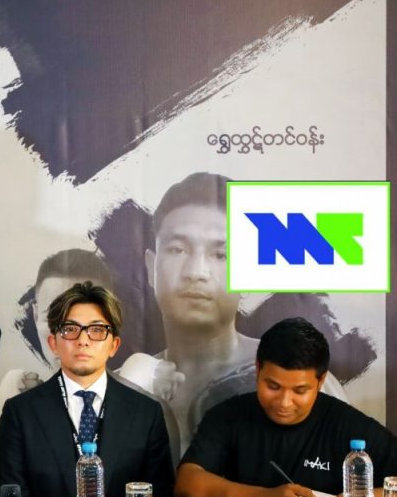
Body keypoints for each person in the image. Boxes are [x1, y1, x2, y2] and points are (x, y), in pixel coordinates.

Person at [121, 172, 346, 456]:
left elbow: (348, 474)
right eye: (178, 250)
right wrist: (125, 394)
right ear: (150, 267)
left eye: (221, 255)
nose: (196, 272)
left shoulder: (300, 380)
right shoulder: (123, 384)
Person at [175, 317, 397, 497]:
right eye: (273, 386)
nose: (284, 402)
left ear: (320, 381)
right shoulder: (229, 415)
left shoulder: (348, 425)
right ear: (258, 369)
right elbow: (187, 480)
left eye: (300, 391)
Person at [0, 281, 175, 497]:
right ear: (53, 343)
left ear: (114, 345)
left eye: (97, 330)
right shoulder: (20, 413)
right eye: (70, 329)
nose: (83, 340)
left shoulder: (146, 414)